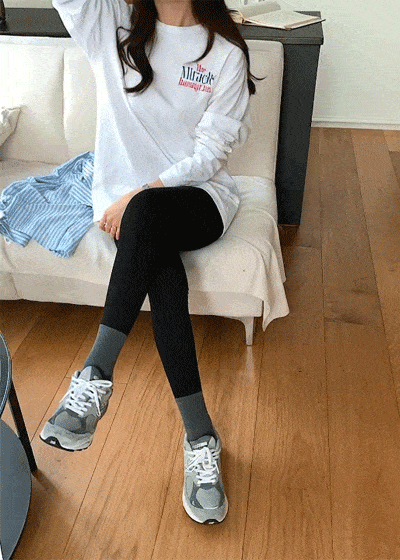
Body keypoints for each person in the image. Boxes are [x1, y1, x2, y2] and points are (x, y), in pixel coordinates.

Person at [40, 0, 264, 525]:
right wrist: (134, 199)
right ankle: (200, 435)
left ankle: (96, 374)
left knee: (146, 215)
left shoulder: (224, 53)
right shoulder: (111, 22)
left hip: (198, 200)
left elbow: (211, 154)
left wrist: (144, 191)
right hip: (130, 214)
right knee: (164, 280)